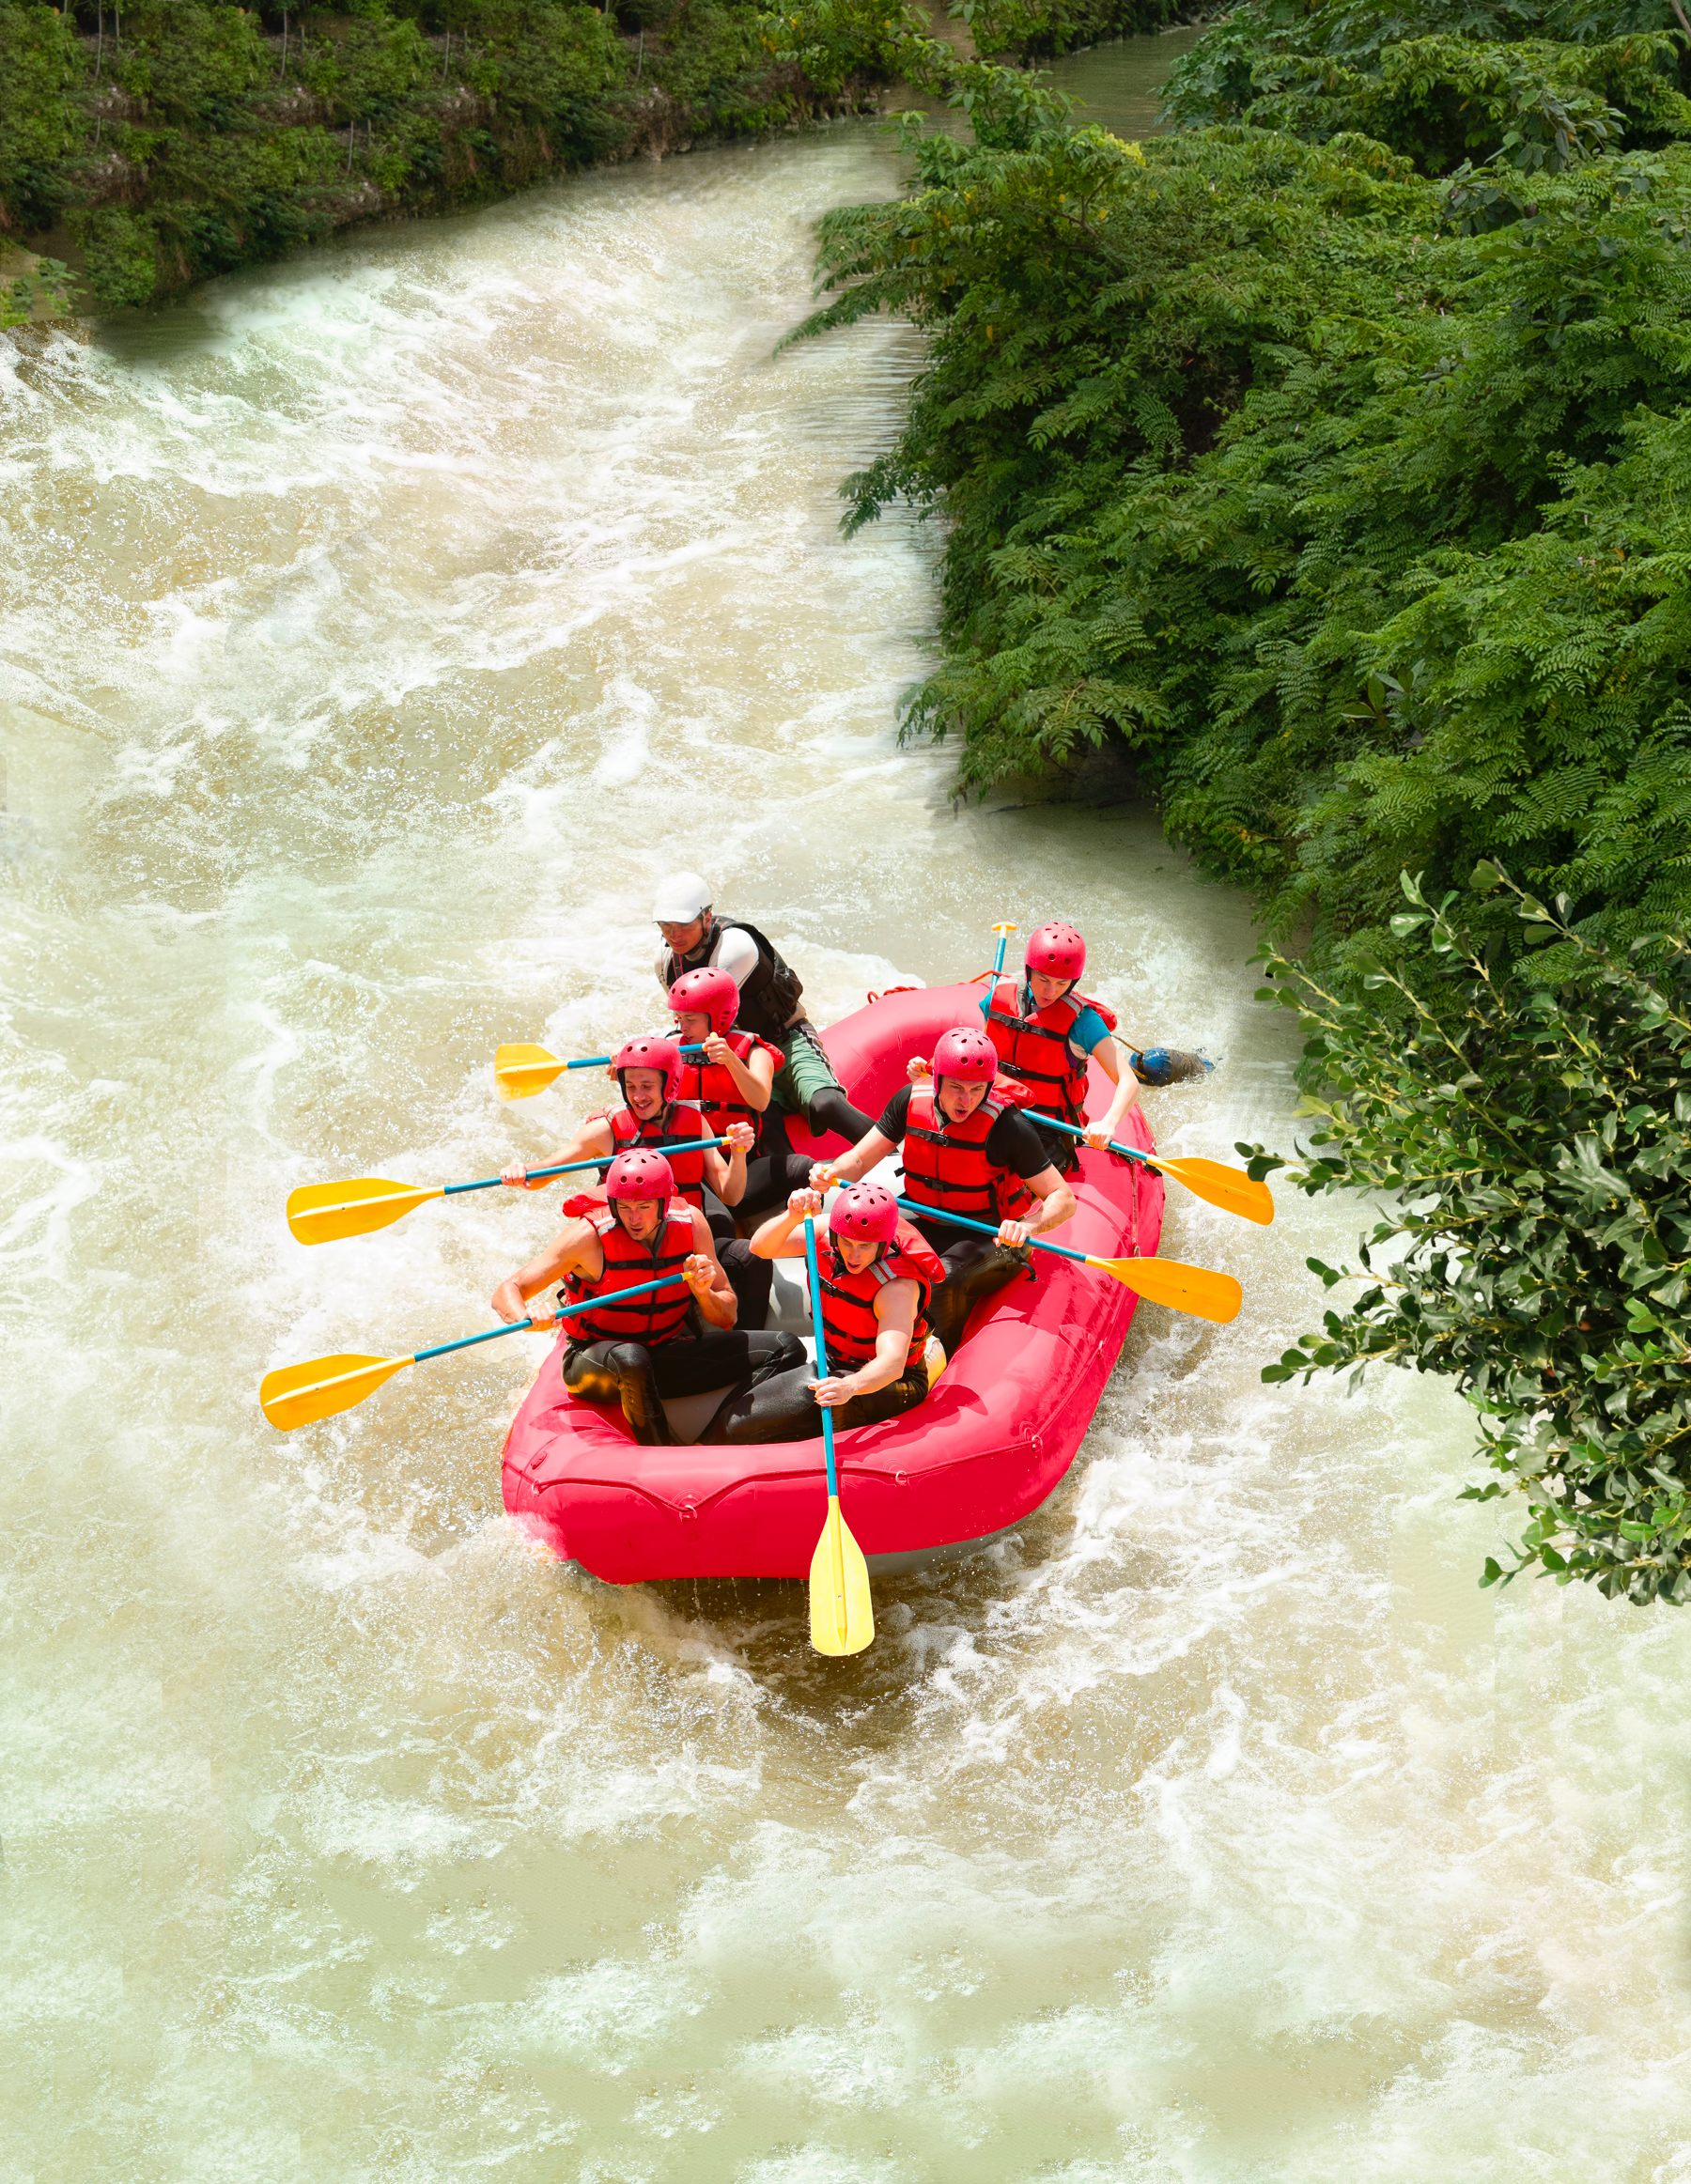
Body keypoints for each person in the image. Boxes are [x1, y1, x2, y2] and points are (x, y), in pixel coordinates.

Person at [490, 1150, 803, 1448]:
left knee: (785, 1347)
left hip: (665, 1352)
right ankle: (659, 1451)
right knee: (631, 1357)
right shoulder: (587, 1239)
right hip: (598, 1361)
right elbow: (510, 1288)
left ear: (664, 1204)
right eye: (624, 1207)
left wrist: (702, 1291)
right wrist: (526, 1317)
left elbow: (727, 1317)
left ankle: (711, 1440)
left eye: (643, 1207)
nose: (633, 1219)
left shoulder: (692, 1224)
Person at [812, 1025, 1077, 1355]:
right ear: (936, 1080)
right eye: (955, 1088)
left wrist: (1028, 1226)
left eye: (977, 1089)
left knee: (944, 1277)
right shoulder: (909, 1100)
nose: (966, 1101)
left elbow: (1063, 1198)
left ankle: (941, 1357)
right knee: (855, 1252)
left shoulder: (1008, 1127)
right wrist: (832, 1172)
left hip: (987, 1234)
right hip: (926, 1220)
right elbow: (861, 1157)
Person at [500, 1033, 773, 1329]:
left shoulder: (695, 1122)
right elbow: (547, 1170)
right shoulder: (606, 1129)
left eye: (647, 1086)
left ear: (670, 1086)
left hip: (683, 1238)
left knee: (749, 1256)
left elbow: (730, 1195)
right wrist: (522, 1171)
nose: (638, 1096)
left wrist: (738, 1153)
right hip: (624, 1245)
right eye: (630, 1086)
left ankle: (744, 1336)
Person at [706, 1183, 946, 1444]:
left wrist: (850, 1386)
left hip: (890, 1383)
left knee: (740, 1426)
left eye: (864, 1246)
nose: (853, 1254)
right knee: (739, 1418)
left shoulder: (896, 1288)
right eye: (846, 1241)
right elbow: (760, 1248)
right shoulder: (824, 1232)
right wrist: (792, 1216)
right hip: (835, 1362)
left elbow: (892, 1364)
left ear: (883, 1243)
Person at [652, 870, 876, 1148]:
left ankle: (893, 1158)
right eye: (666, 925)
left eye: (683, 925)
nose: (674, 935)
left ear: (706, 917)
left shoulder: (735, 947)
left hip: (786, 1040)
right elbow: (687, 1023)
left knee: (825, 1103)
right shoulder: (665, 962)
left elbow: (712, 1017)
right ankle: (792, 1182)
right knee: (762, 1117)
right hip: (741, 1058)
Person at [978, 922, 1140, 1174]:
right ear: (1029, 970)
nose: (1050, 990)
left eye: (1062, 983)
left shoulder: (1083, 1023)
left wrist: (1109, 1123)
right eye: (1043, 979)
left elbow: (1128, 1081)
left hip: (1046, 1129)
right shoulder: (998, 999)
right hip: (992, 1109)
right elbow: (980, 1053)